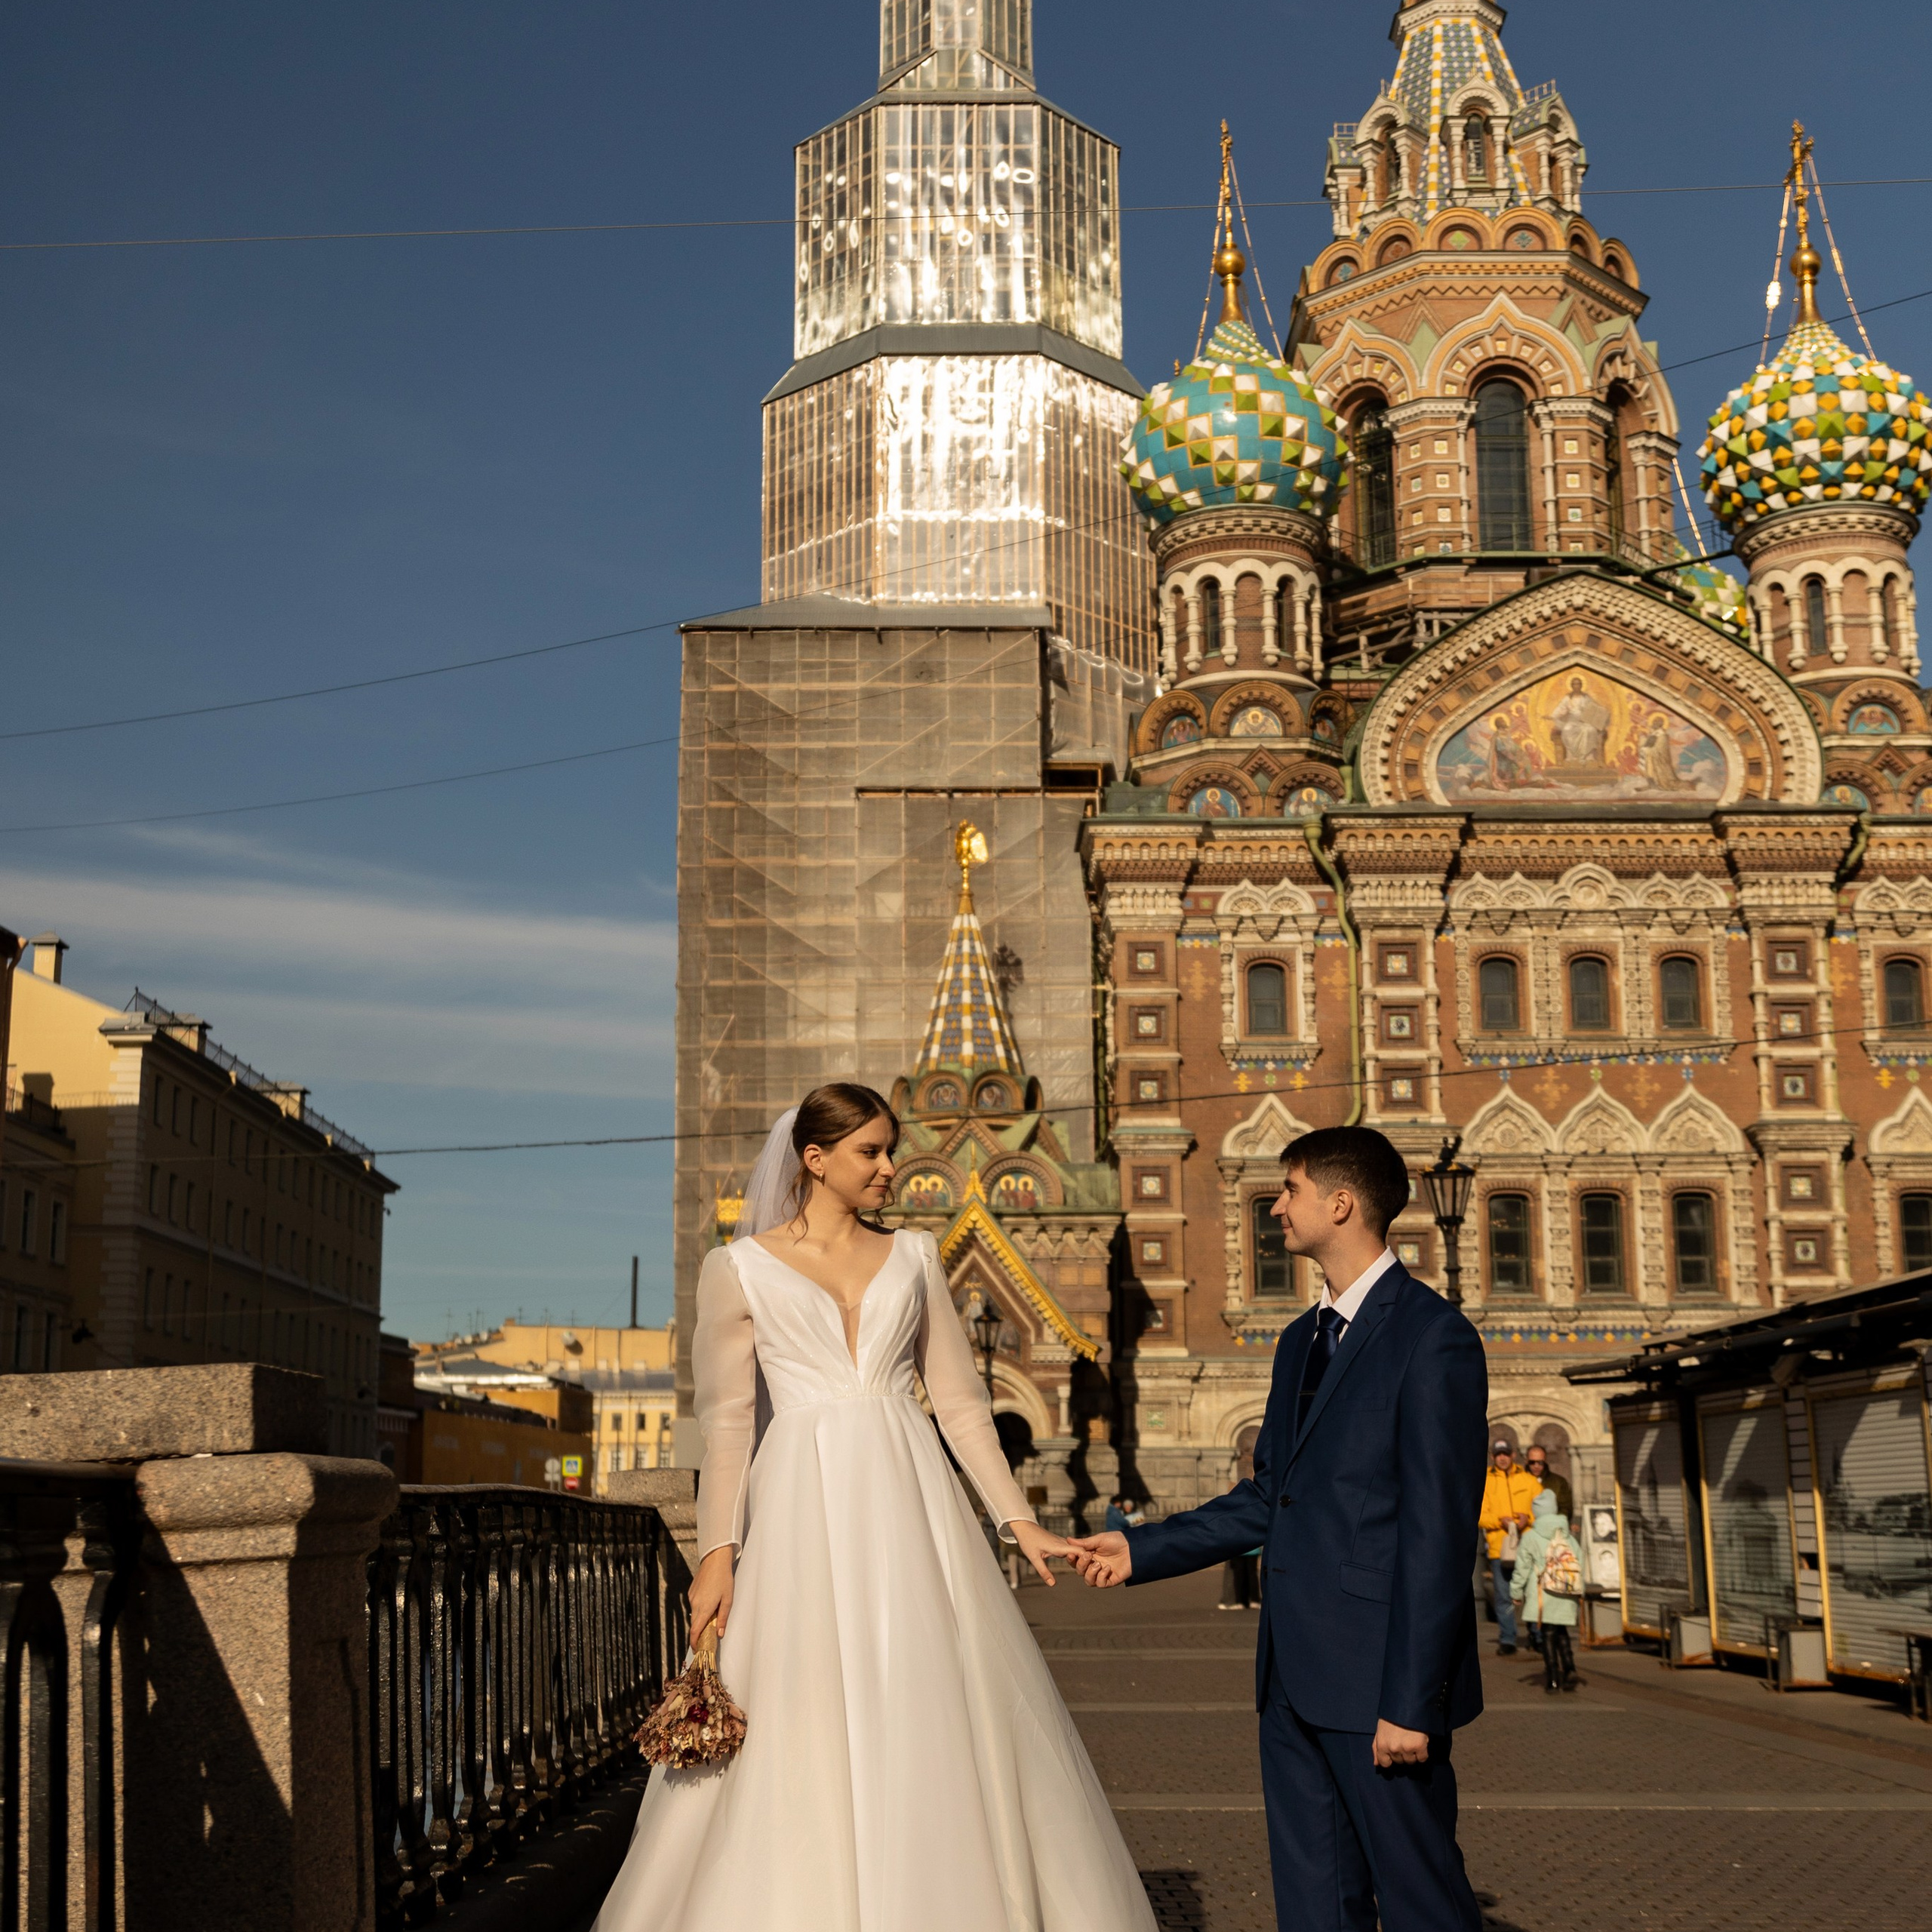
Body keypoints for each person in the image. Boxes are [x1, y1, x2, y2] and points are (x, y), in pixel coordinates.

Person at [592, 1084, 1154, 1932]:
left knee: (926, 1692)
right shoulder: (736, 1268)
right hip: (799, 1506)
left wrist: (1016, 1519)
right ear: (813, 1159)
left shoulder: (919, 1255)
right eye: (872, 1151)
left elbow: (963, 1407)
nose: (893, 1167)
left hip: (910, 1499)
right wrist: (717, 1554)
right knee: (800, 1703)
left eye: (890, 1148)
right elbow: (729, 1425)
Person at [1067, 1126, 1489, 1932]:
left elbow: (1437, 1535)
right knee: (1312, 1901)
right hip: (1292, 1676)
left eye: (1288, 1189)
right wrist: (1141, 1546)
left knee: (1421, 1900)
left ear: (1341, 1202)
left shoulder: (1433, 1337)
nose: (1276, 1206)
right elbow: (1272, 1498)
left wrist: (1411, 1700)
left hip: (1378, 1686)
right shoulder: (1301, 1340)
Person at [1509, 1491, 1582, 1694]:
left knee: (1548, 1632)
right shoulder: (1566, 1533)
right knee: (1561, 1631)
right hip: (1566, 1590)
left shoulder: (1531, 1536)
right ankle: (1569, 1667)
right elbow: (1579, 1558)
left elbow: (1522, 1568)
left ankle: (1552, 1678)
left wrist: (1516, 1592)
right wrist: (1579, 1588)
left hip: (1543, 1591)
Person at [1481, 1441, 1541, 1657]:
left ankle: (1537, 1636)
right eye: (1498, 1455)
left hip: (1529, 1547)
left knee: (1533, 1593)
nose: (1502, 1458)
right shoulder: (1485, 1480)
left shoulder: (1528, 1480)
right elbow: (1479, 1515)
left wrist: (1529, 1519)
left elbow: (1543, 1508)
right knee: (1504, 1596)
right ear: (1492, 1456)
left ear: (1513, 1454)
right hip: (1501, 1550)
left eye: (1506, 1454)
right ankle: (1508, 1639)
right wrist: (1500, 1521)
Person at [1522, 1445, 1573, 1521]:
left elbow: (1565, 1508)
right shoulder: (1518, 1481)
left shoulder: (1559, 1482)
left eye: (1540, 1462)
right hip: (1525, 1528)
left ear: (1545, 1461)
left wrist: (1555, 1522)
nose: (1536, 1466)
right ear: (1526, 1461)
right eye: (1532, 1462)